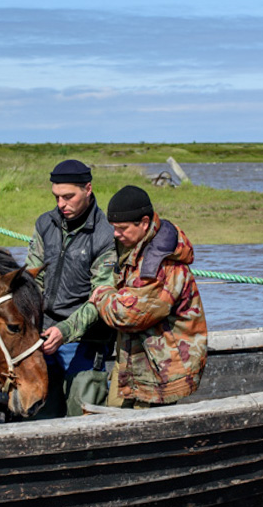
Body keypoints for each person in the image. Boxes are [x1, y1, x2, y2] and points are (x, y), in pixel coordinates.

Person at [90, 185, 207, 407]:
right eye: (113, 228)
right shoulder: (131, 246)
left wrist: (101, 294)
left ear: (144, 223)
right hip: (132, 358)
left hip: (161, 368)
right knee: (114, 413)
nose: (116, 234)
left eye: (122, 228)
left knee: (142, 423)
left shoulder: (162, 264)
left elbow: (128, 315)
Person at [25, 159, 117, 416]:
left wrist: (64, 331)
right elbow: (33, 280)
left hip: (86, 339)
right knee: (39, 412)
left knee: (82, 410)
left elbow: (100, 298)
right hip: (42, 335)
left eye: (68, 197)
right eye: (56, 197)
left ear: (88, 189)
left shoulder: (106, 235)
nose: (61, 205)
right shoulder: (45, 224)